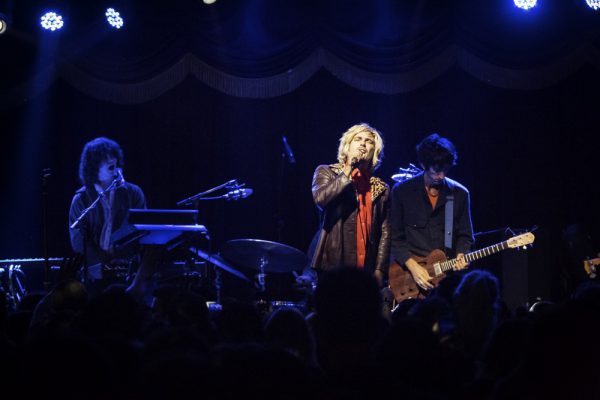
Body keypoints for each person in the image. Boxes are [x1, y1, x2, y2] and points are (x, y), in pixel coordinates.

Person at [309, 123, 391, 288]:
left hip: (366, 268)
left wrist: (380, 269)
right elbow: (321, 200)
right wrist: (347, 170)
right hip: (333, 264)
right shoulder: (327, 172)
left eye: (369, 141)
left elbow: (385, 231)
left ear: (374, 151)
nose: (363, 144)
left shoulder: (381, 188)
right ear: (347, 146)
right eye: (358, 139)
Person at [390, 133, 474, 291]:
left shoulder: (460, 194)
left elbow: (466, 235)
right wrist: (413, 267)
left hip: (446, 280)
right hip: (410, 278)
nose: (441, 176)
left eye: (445, 170)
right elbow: (395, 238)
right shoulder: (401, 192)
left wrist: (462, 253)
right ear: (423, 164)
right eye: (436, 171)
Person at [68, 137, 146, 286]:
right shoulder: (81, 199)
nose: (112, 160)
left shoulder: (133, 193)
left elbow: (141, 231)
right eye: (104, 158)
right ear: (93, 167)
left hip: (129, 271)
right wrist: (101, 264)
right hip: (94, 274)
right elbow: (78, 240)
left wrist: (122, 257)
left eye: (113, 156)